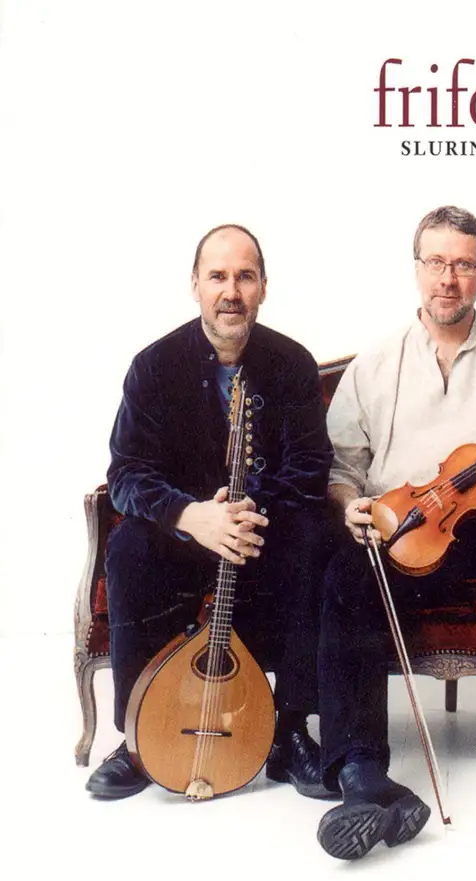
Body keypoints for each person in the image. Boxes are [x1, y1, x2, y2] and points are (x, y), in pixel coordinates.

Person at [315, 206, 476, 860]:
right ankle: (361, 771)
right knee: (346, 569)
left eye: (463, 264)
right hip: (403, 532)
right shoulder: (376, 362)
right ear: (417, 269)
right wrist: (351, 505)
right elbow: (342, 469)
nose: (448, 279)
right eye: (436, 262)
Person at [86, 224, 337, 802]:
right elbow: (127, 473)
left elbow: (309, 467)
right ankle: (136, 738)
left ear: (263, 287)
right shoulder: (154, 366)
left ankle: (290, 731)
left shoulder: (292, 363)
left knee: (314, 539)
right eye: (218, 276)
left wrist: (249, 513)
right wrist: (191, 515)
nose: (231, 291)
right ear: (195, 284)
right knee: (129, 547)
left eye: (245, 277)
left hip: (260, 532)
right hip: (185, 533)